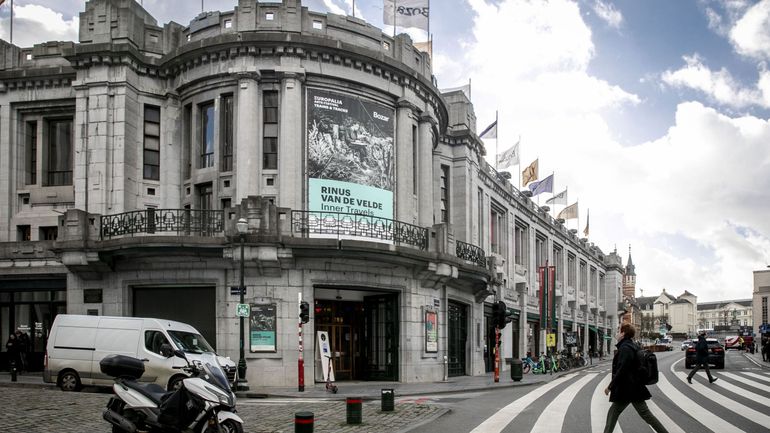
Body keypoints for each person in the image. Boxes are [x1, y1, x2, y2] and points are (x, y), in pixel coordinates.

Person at [603, 323, 669, 433]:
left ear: (623, 333)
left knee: (642, 414)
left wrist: (610, 386)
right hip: (633, 387)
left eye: (619, 331)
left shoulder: (625, 348)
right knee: (617, 413)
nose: (617, 333)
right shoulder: (632, 345)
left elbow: (622, 370)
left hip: (628, 388)